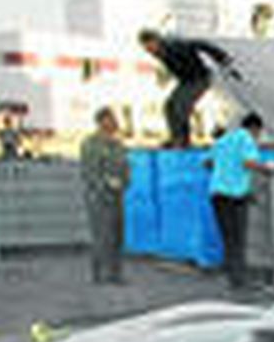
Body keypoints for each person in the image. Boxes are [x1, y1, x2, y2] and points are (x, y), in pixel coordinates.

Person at [138, 28, 242, 148]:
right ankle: (176, 137)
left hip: (200, 79)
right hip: (187, 81)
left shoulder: (174, 45)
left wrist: (222, 58)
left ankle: (182, 140)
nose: (148, 50)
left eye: (149, 46)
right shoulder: (159, 53)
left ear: (156, 40)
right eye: (145, 48)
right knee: (169, 106)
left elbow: (200, 44)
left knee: (181, 106)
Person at [209, 112, 274, 289]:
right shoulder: (246, 138)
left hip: (217, 195)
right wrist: (267, 167)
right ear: (254, 128)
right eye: (258, 133)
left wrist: (224, 170)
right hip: (235, 197)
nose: (258, 138)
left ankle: (233, 278)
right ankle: (240, 281)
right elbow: (248, 162)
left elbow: (207, 163)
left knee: (228, 239)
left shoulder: (223, 140)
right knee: (238, 240)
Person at [79, 107, 131, 284]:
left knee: (117, 235)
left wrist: (124, 182)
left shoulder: (119, 145)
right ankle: (99, 274)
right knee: (102, 235)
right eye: (111, 119)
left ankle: (116, 273)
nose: (115, 123)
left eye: (115, 119)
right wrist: (106, 183)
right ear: (101, 121)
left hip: (117, 197)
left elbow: (126, 168)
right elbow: (89, 172)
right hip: (99, 198)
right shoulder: (90, 144)